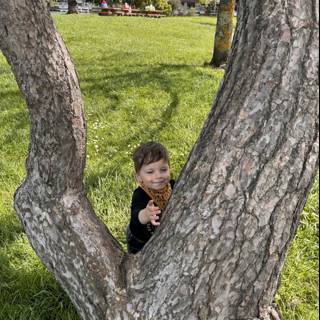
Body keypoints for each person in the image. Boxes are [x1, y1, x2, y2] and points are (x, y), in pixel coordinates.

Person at [126, 141, 175, 254]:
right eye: (150, 172)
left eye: (163, 170)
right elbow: (135, 216)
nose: (158, 176)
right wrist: (146, 214)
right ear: (139, 177)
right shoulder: (140, 194)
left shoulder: (173, 185)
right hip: (140, 241)